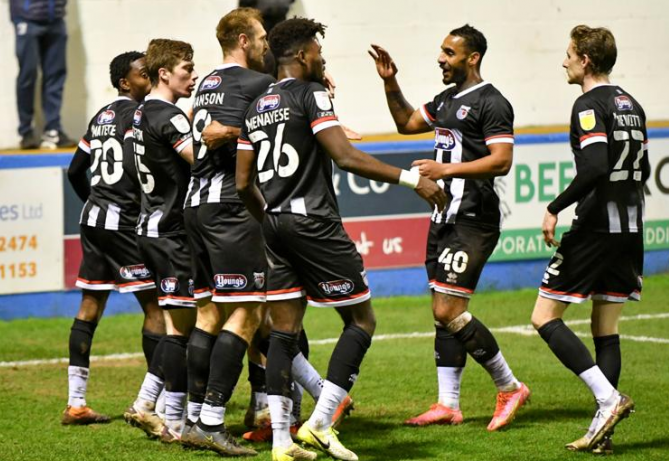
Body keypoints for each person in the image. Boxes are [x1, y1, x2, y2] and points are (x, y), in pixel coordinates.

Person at [237, 17, 446, 461]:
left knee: (284, 334)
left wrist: (273, 218)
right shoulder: (311, 93)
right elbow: (345, 155)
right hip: (314, 222)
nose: (323, 58)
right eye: (318, 51)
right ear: (300, 55)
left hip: (273, 223)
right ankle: (319, 423)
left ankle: (280, 444)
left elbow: (242, 184)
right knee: (361, 321)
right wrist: (414, 181)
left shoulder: (255, 107)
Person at [369, 24, 530, 431]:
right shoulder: (445, 100)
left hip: (473, 217)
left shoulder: (492, 102)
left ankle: (509, 386)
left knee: (448, 308)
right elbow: (406, 122)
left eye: (449, 53)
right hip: (444, 216)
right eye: (441, 51)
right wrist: (391, 83)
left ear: (471, 58)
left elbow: (501, 160)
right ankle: (448, 404)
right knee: (441, 311)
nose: (441, 58)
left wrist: (446, 170)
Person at [530, 25, 642, 453]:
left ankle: (607, 398)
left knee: (544, 316)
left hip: (596, 227)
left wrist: (555, 206)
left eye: (569, 54)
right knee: (605, 327)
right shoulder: (632, 104)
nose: (564, 61)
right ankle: (603, 435)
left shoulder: (588, 105)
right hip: (630, 226)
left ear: (585, 61)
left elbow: (594, 166)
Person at [178, 9, 273, 457]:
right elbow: (269, 131)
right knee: (248, 314)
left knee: (208, 315)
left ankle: (194, 419)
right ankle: (214, 422)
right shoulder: (255, 84)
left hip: (195, 205)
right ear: (242, 40)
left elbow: (210, 133)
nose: (265, 45)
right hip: (230, 210)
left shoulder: (205, 84)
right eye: (260, 38)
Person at [63, 51, 158, 426]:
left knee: (90, 306)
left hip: (93, 221)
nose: (149, 77)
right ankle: (157, 402)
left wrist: (95, 202)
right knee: (157, 308)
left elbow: (74, 171)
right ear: (125, 82)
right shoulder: (140, 115)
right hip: (121, 225)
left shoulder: (100, 116)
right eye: (143, 73)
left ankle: (75, 403)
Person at [124, 38, 201, 442]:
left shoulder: (139, 114)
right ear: (164, 73)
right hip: (170, 233)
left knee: (178, 326)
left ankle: (149, 406)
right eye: (187, 68)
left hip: (149, 228)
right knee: (181, 330)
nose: (194, 75)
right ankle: (173, 420)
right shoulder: (169, 117)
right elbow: (199, 158)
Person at [9, 0, 76, 149]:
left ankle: (53, 130)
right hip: (26, 17)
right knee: (28, 75)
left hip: (56, 17)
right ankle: (26, 132)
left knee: (56, 76)